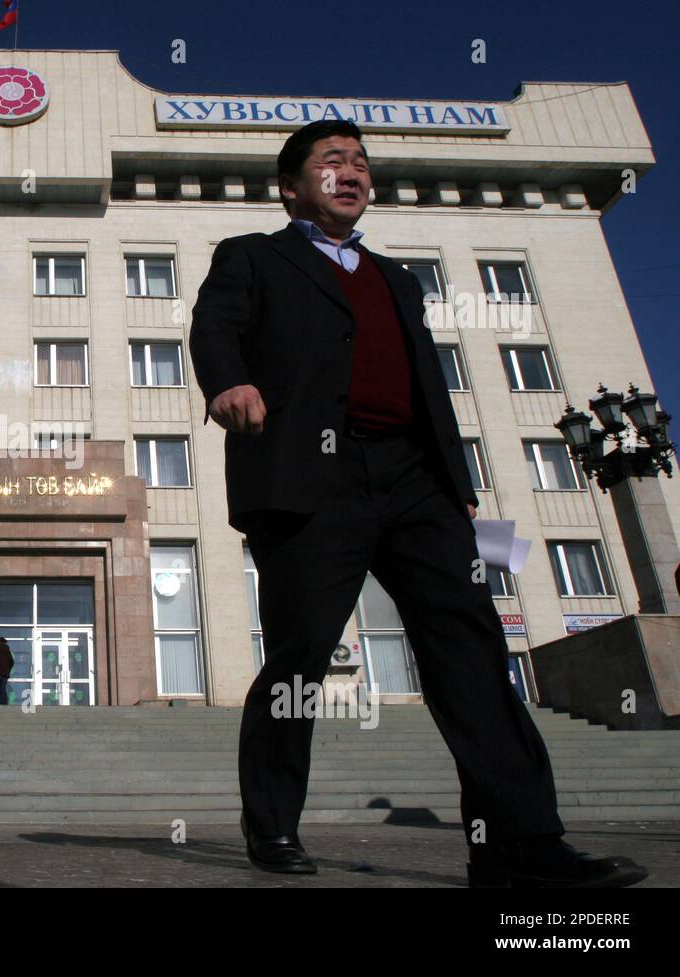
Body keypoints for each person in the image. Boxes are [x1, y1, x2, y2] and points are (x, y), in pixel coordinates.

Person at [188, 118, 648, 888]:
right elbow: (214, 325)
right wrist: (229, 381)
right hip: (310, 477)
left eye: (362, 161)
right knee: (301, 655)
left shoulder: (397, 277)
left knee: (471, 650)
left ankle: (519, 846)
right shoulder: (253, 256)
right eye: (333, 160)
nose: (353, 171)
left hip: (414, 482)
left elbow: (426, 385)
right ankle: (271, 820)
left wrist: (456, 488)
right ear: (292, 187)